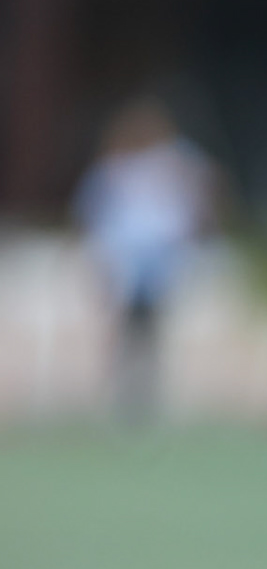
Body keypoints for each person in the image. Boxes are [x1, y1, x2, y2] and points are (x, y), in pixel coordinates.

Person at [71, 97, 218, 418]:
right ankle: (121, 393)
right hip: (124, 253)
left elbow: (204, 192)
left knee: (151, 325)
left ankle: (146, 393)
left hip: (159, 255)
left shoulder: (174, 161)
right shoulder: (115, 167)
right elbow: (92, 211)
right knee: (123, 325)